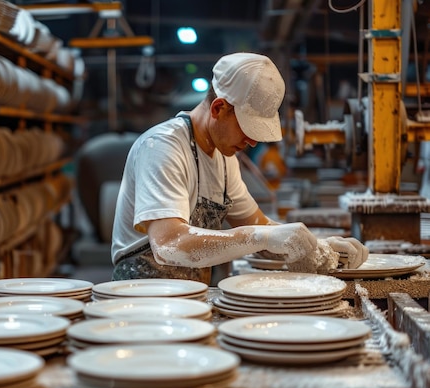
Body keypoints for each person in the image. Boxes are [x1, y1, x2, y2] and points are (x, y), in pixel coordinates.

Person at [110, 52, 368, 285]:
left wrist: (316, 247)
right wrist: (260, 237)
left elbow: (259, 225)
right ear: (218, 108)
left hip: (188, 299)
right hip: (139, 300)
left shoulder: (224, 160)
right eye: (247, 127)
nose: (253, 141)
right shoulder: (163, 147)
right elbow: (169, 243)